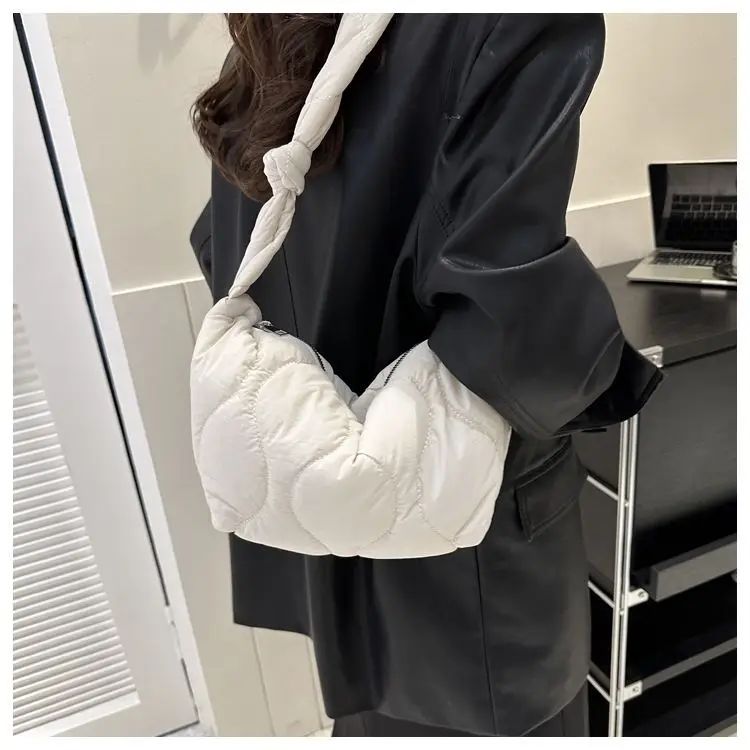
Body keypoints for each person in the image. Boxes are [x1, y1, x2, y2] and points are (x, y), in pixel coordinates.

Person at [190, 13, 661, 737]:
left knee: (374, 716)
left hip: (319, 483)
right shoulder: (509, 21)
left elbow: (225, 243)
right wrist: (607, 377)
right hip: (471, 538)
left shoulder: (271, 33)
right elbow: (510, 310)